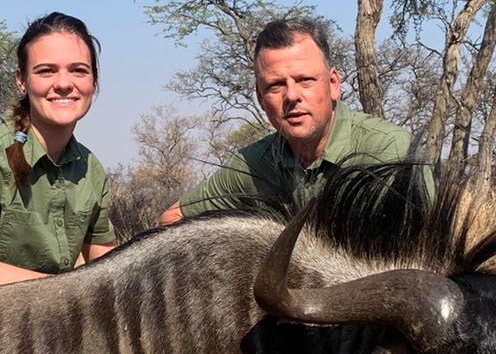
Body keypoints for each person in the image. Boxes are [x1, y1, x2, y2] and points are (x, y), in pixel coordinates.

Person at [158, 17, 413, 224]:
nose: (292, 95)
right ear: (259, 97)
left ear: (333, 84)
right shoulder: (252, 164)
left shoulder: (388, 150)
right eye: (275, 86)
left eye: (305, 80)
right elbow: (172, 219)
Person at [0, 12, 115, 295]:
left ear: (94, 80)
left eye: (79, 70)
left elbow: (109, 273)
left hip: (53, 324)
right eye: (46, 71)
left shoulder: (89, 168)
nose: (64, 83)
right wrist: (74, 292)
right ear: (21, 80)